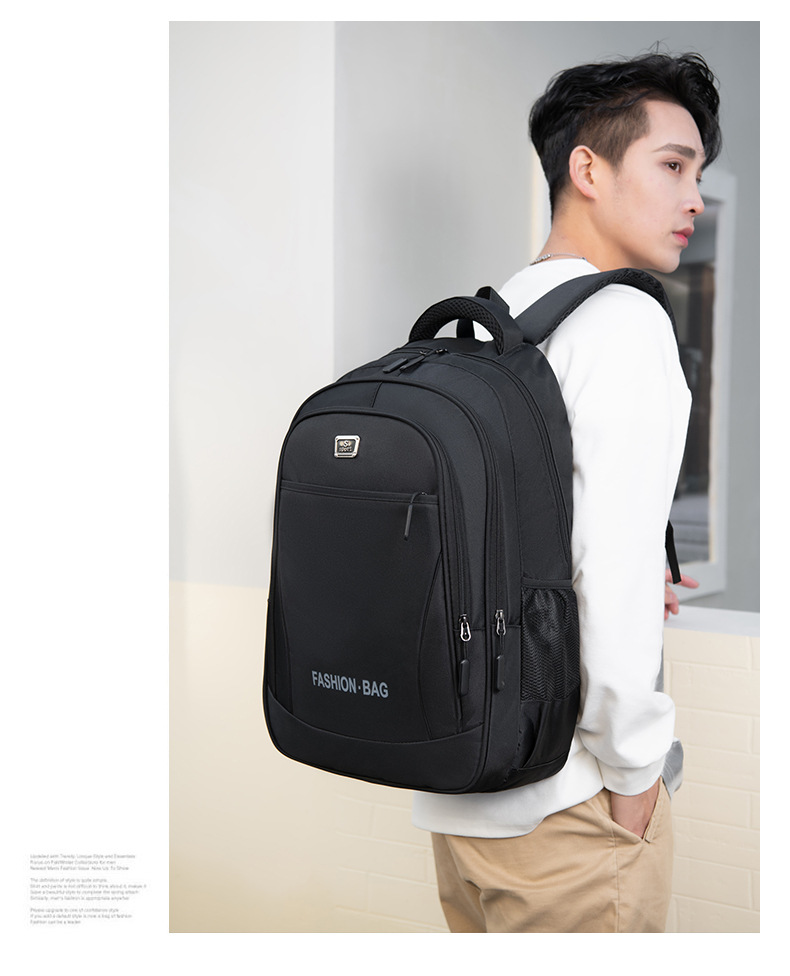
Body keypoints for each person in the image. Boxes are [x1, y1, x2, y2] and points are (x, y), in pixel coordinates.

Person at [411, 51, 721, 933]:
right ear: (588, 168)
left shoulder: (496, 318)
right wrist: (635, 780)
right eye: (673, 165)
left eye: (699, 174)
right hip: (571, 812)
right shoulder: (623, 320)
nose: (695, 199)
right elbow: (609, 578)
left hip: (462, 795)